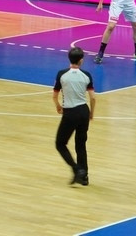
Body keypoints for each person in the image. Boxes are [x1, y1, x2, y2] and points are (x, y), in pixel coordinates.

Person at [53, 46, 96, 186]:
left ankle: (77, 169)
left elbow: (55, 95)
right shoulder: (87, 75)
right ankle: (84, 177)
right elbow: (93, 98)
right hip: (83, 111)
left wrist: (58, 106)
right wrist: (91, 113)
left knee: (60, 143)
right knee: (81, 144)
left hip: (70, 112)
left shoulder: (61, 74)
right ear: (81, 60)